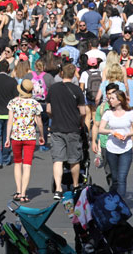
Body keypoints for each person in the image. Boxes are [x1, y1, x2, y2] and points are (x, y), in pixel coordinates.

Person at [46, 63, 86, 200]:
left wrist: (55, 116)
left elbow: (48, 110)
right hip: (73, 128)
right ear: (74, 74)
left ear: (61, 73)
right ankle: (75, 185)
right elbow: (83, 111)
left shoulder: (53, 89)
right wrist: (81, 122)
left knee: (58, 159)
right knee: (74, 159)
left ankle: (58, 189)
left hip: (57, 127)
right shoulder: (77, 90)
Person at [5, 79, 44, 203]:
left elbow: (10, 121)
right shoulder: (35, 104)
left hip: (16, 136)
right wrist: (42, 135)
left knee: (17, 163)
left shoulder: (13, 102)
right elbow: (39, 122)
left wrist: (7, 137)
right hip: (30, 137)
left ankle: (18, 190)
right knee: (27, 166)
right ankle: (23, 193)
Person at [98, 90, 133, 199]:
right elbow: (100, 129)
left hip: (126, 149)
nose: (109, 100)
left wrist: (128, 134)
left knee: (122, 178)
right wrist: (111, 132)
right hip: (111, 148)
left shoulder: (130, 113)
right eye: (109, 98)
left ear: (119, 100)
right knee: (115, 178)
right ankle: (113, 199)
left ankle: (120, 202)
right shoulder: (108, 113)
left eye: (112, 98)